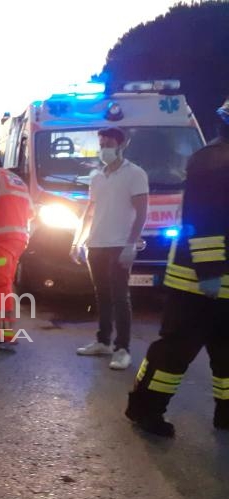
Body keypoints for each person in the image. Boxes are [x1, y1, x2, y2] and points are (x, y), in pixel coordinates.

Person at [124, 99, 229, 437]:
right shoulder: (213, 161)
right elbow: (206, 218)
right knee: (174, 352)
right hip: (197, 281)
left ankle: (226, 414)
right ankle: (145, 410)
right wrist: (211, 271)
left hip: (218, 281)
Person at [71, 127, 149, 370]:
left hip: (119, 245)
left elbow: (142, 212)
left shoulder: (135, 174)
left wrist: (131, 244)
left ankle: (122, 348)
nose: (104, 147)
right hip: (96, 244)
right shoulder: (97, 176)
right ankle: (103, 341)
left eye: (108, 143)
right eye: (101, 142)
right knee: (102, 295)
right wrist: (77, 240)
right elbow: (90, 211)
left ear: (121, 145)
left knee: (120, 297)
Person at [0, 155, 34, 348]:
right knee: (1, 280)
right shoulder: (18, 182)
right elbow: (31, 213)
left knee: (0, 283)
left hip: (1, 241)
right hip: (17, 241)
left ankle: (5, 333)